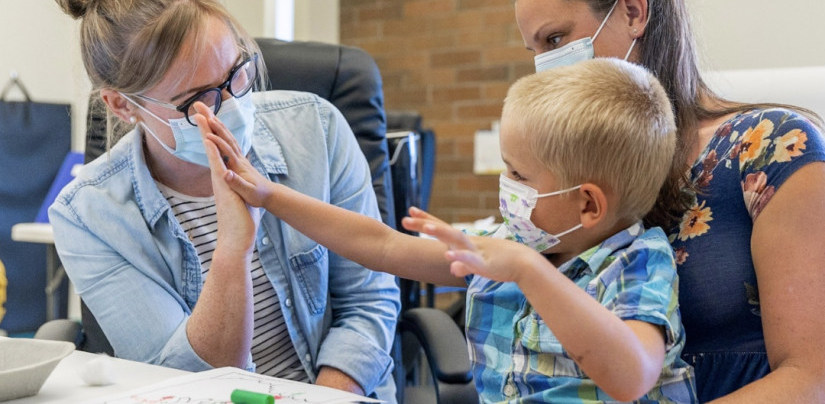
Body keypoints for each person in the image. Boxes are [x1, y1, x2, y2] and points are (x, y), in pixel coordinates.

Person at [199, 57, 698, 402]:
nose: (507, 186)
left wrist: (528, 272)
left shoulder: (636, 260)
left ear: (588, 204)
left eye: (520, 175)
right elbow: (382, 245)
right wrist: (270, 195)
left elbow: (631, 376)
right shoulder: (516, 243)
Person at [47, 0, 400, 401]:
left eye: (237, 73)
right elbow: (180, 378)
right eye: (197, 98)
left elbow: (369, 301)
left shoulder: (317, 126)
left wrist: (322, 398)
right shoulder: (87, 215)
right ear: (121, 104)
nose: (232, 105)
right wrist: (233, 250)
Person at [511, 0, 825, 402]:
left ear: (634, 12)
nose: (545, 69)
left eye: (555, 41)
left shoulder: (773, 148)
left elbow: (811, 377)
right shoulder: (586, 173)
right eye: (534, 51)